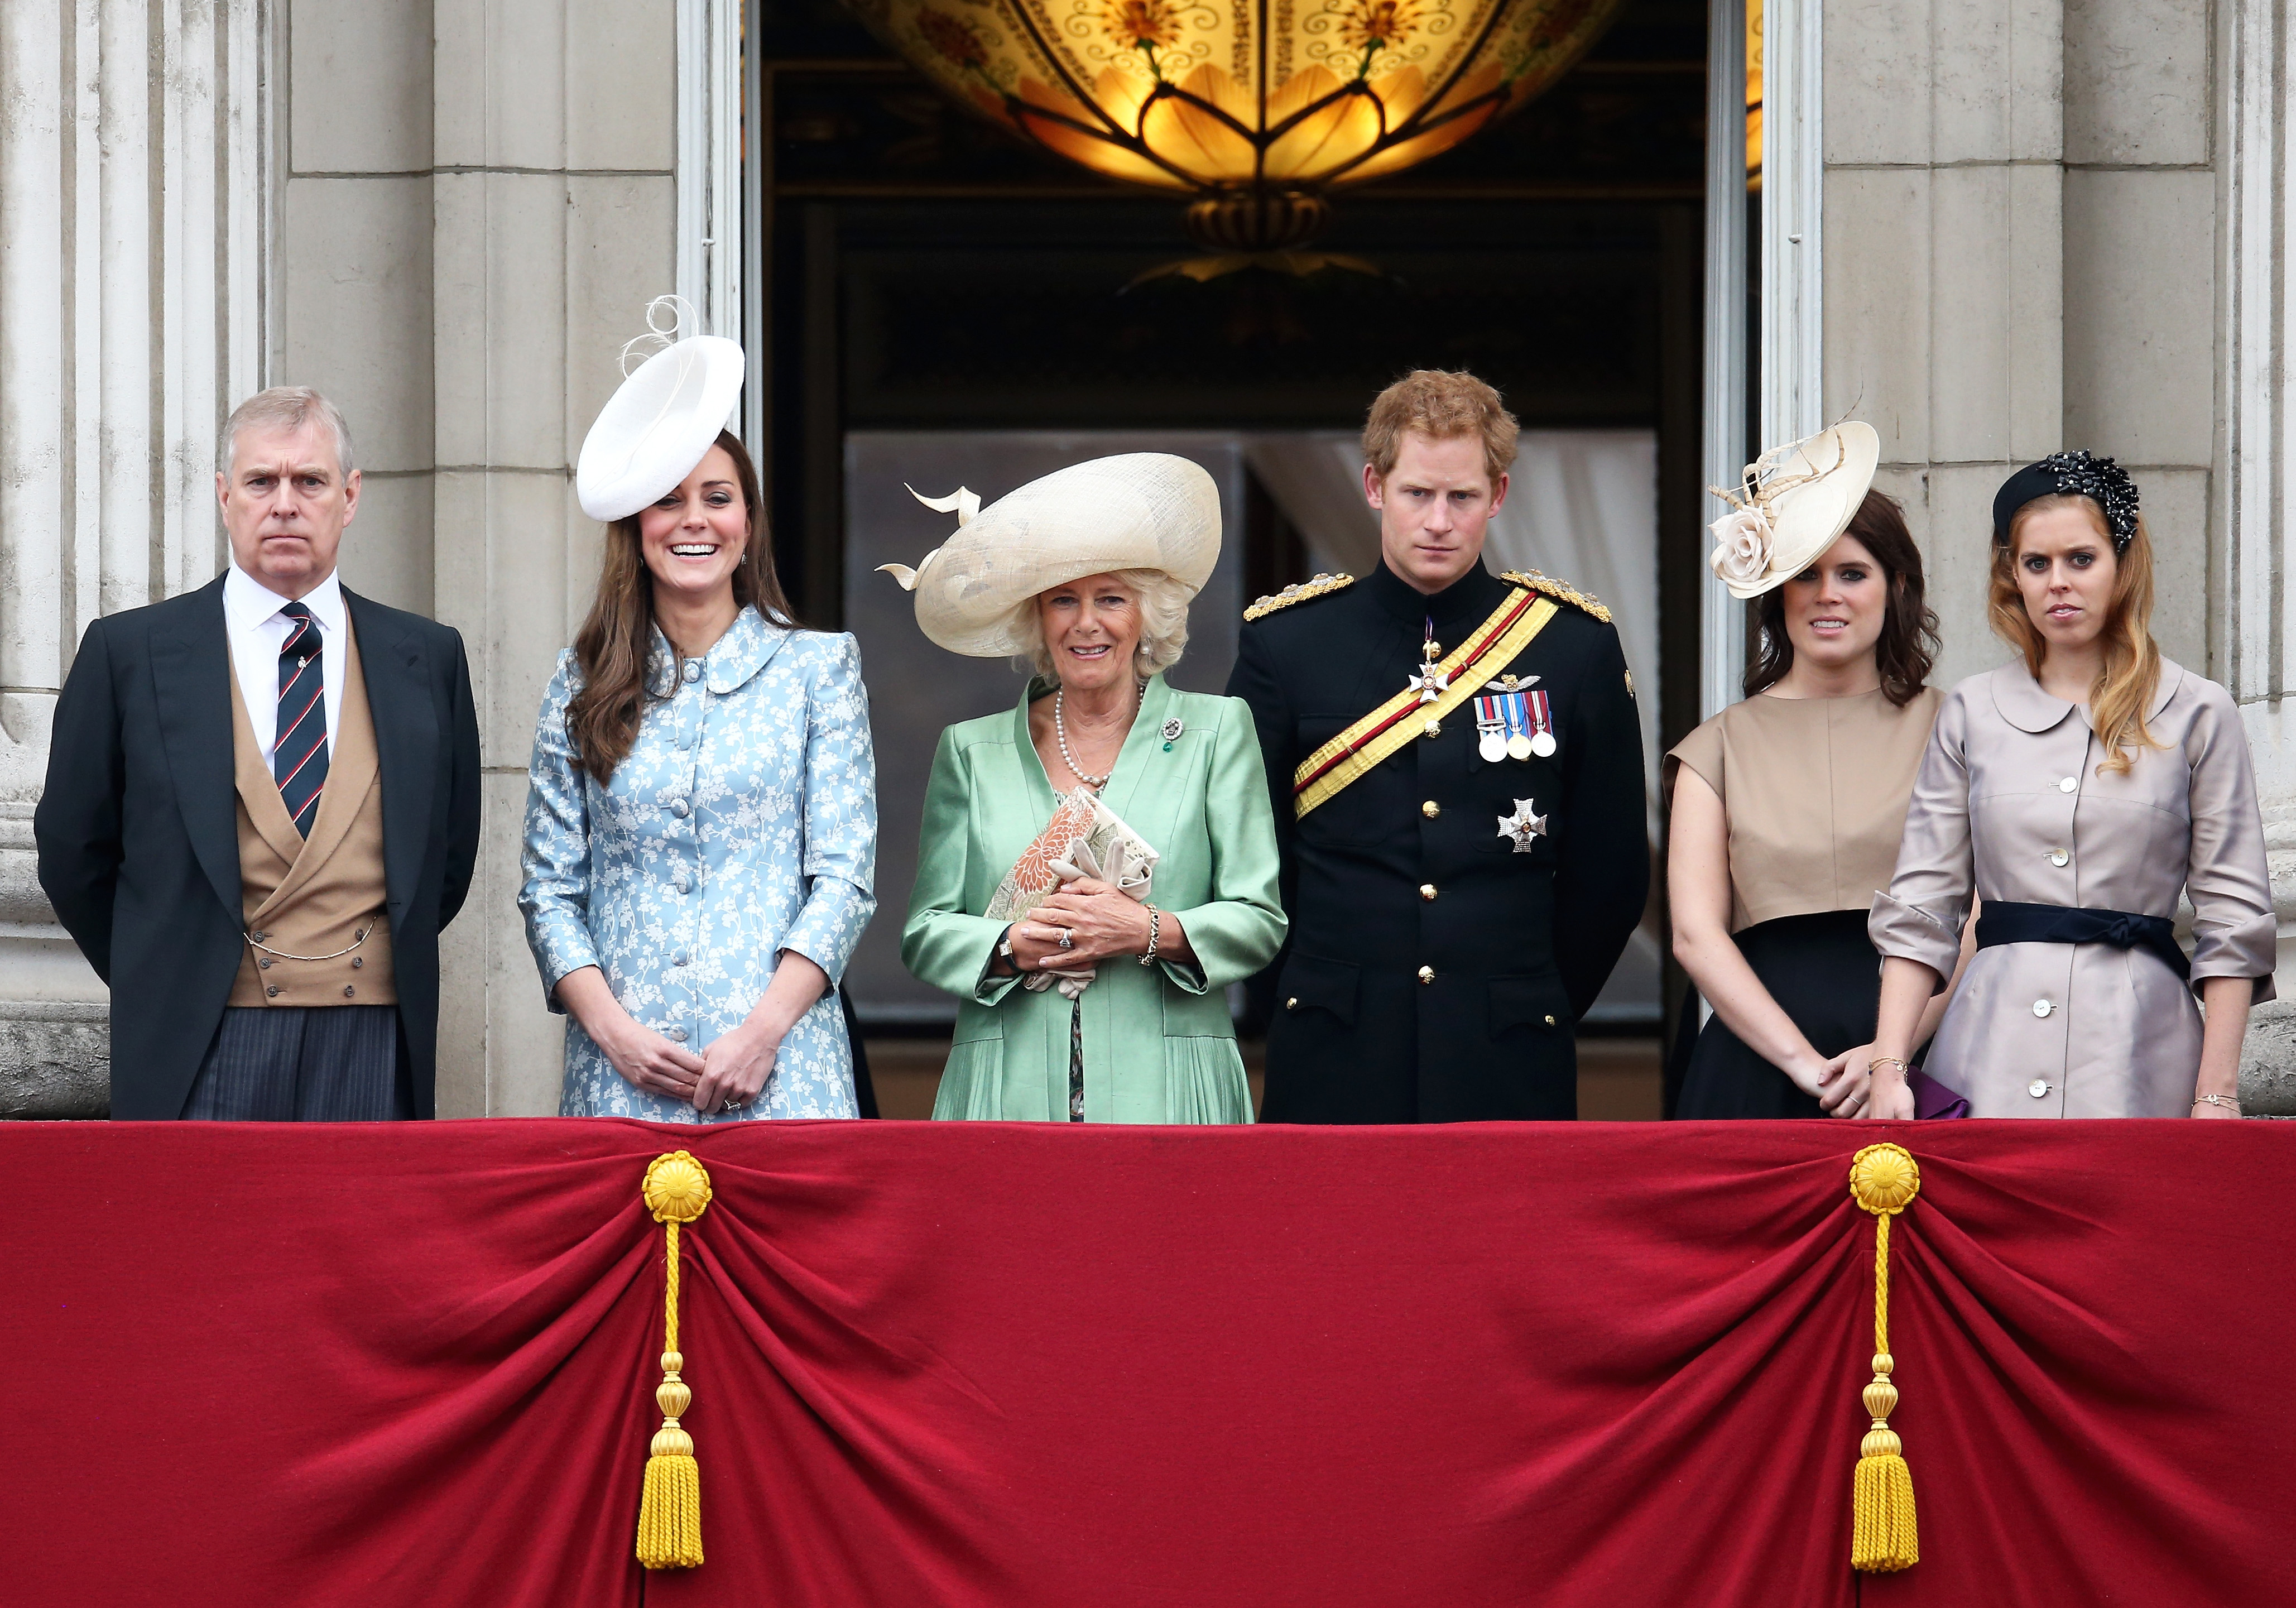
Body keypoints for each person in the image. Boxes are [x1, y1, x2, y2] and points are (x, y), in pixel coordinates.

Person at [35, 386, 482, 1120]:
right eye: (260, 481)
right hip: (198, 1037)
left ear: (349, 495)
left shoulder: (427, 656)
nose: (284, 503)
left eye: (308, 481)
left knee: (356, 1236)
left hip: (371, 1035)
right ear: (223, 496)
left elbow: (447, 858)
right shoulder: (130, 653)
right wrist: (163, 967)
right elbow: (71, 848)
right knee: (200, 1235)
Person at [1227, 370, 1647, 1122]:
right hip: (1331, 1040)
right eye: (1418, 493)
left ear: (1498, 496)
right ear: (1372, 486)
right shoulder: (1286, 644)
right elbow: (1247, 851)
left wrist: (1531, 1000)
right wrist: (1293, 993)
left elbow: (1608, 871)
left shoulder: (1573, 645)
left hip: (1507, 1047)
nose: (1439, 521)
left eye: (1461, 497)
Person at [520, 319, 876, 1120]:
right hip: (623, 1082)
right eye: (667, 501)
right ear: (634, 528)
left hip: (787, 1074)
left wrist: (762, 1032)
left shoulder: (818, 671)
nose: (693, 521)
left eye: (716, 499)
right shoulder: (579, 682)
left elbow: (844, 879)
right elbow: (547, 891)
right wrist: (613, 1034)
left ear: (746, 522)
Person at [1864, 452, 2275, 1119]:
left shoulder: (2199, 711)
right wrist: (1888, 1066)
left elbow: (2232, 920)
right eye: (2036, 564)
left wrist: (2216, 1094)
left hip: (2142, 1052)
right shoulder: (1969, 711)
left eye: (2080, 559)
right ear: (2012, 577)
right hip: (1986, 1050)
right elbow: (1923, 908)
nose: (2058, 582)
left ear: (2122, 564)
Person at [893, 454, 1287, 1122]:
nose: (1086, 623)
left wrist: (1145, 929)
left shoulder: (1216, 732)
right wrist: (1009, 946)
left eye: (1110, 598)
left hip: (1171, 1084)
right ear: (1037, 619)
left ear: (1146, 615)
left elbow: (1259, 918)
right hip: (1005, 1088)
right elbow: (925, 931)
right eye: (1062, 601)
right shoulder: (970, 749)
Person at [1667, 424, 1960, 1119]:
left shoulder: (1957, 728)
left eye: (1852, 573)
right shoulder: (1716, 746)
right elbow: (1694, 935)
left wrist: (1890, 1051)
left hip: (1923, 1055)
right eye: (1806, 573)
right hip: (1757, 1063)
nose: (1827, 593)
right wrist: (1808, 1067)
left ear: (1895, 589)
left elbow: (1977, 914)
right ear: (1777, 592)